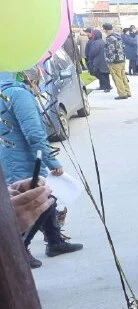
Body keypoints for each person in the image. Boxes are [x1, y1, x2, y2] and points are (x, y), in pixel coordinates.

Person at [0, 71, 83, 268]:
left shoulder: (6, 93)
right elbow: (34, 134)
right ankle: (21, 248)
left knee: (45, 198)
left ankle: (55, 241)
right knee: (40, 200)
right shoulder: (18, 94)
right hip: (23, 160)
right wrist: (52, 162)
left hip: (7, 158)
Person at [102, 23, 131, 100]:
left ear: (105, 30)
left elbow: (111, 51)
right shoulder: (118, 36)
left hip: (114, 61)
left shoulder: (110, 38)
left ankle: (122, 94)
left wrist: (109, 60)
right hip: (121, 59)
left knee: (117, 78)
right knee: (123, 76)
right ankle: (127, 91)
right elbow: (123, 47)